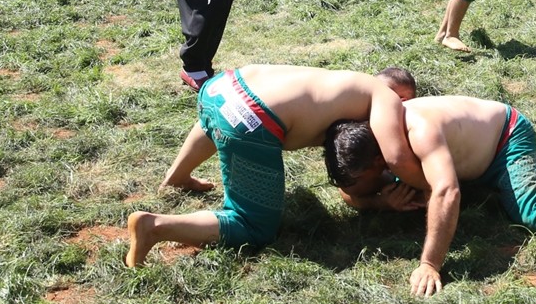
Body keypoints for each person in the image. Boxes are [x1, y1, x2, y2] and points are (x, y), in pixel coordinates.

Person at [324, 96, 536, 296]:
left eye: (368, 178)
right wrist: (382, 202)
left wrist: (430, 264)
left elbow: (447, 192)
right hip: (465, 156)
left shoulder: (418, 134)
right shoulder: (369, 140)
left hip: (506, 138)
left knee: (534, 214)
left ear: (380, 161)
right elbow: (349, 192)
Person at [125, 65, 425, 267]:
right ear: (401, 96)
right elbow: (398, 159)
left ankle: (177, 176)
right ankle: (156, 227)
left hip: (221, 86)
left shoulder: (350, 82)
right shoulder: (386, 99)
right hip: (251, 121)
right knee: (254, 226)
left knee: (220, 116)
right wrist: (434, 188)